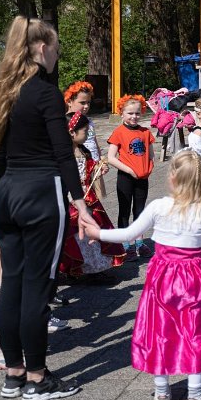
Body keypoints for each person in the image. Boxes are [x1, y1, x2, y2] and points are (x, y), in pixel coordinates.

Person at [0, 15, 98, 400]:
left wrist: (2, 194)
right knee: (37, 288)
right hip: (40, 193)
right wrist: (81, 204)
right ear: (42, 48)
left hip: (10, 192)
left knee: (12, 286)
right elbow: (63, 154)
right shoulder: (45, 93)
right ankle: (37, 378)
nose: (58, 53)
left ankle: (13, 374)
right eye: (56, 46)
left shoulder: (5, 90)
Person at [85, 150, 201, 400]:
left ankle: (162, 393)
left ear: (172, 179)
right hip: (193, 278)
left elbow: (130, 232)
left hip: (161, 276)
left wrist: (98, 232)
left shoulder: (158, 206)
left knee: (160, 330)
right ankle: (195, 394)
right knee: (195, 330)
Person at [59, 113, 124, 282]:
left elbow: (88, 171)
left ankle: (94, 268)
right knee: (78, 236)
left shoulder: (84, 150)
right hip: (72, 198)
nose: (88, 135)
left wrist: (98, 169)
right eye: (85, 131)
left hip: (88, 196)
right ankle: (83, 269)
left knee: (93, 232)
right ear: (72, 132)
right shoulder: (64, 154)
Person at [107, 95, 155, 260]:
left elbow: (150, 154)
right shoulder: (118, 132)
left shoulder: (145, 132)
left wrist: (150, 167)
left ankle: (140, 244)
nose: (134, 116)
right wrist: (128, 170)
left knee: (140, 211)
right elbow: (111, 157)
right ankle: (125, 244)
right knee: (124, 210)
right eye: (129, 113)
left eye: (137, 113)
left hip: (142, 177)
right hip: (126, 177)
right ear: (122, 113)